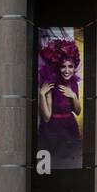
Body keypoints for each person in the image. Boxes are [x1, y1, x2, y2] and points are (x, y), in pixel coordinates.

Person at [38, 37, 83, 168]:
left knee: (71, 164)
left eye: (70, 66)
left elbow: (78, 111)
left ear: (74, 67)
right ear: (58, 66)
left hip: (70, 127)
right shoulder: (51, 84)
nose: (67, 70)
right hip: (52, 130)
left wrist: (73, 96)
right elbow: (46, 117)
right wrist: (42, 94)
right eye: (63, 66)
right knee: (55, 164)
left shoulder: (73, 82)